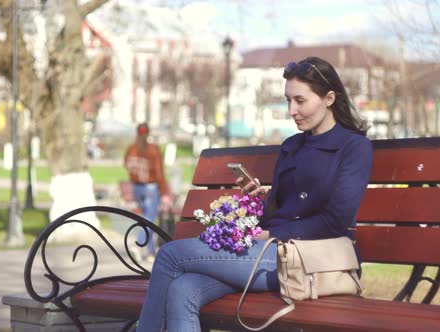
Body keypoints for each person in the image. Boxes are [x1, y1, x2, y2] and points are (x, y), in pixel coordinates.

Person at [135, 56, 373, 331]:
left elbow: (336, 220)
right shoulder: (292, 146)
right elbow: (281, 211)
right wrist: (259, 201)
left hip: (305, 259)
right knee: (182, 289)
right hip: (267, 251)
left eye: (300, 100)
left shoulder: (354, 148)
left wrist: (272, 235)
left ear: (329, 98)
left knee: (169, 255)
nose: (291, 110)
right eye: (287, 100)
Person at [124, 123, 172, 260]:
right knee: (149, 219)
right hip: (150, 188)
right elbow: (159, 173)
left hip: (137, 187)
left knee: (147, 218)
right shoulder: (153, 149)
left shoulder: (131, 149)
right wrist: (164, 192)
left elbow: (126, 164)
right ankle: (139, 245)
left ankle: (150, 252)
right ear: (148, 133)